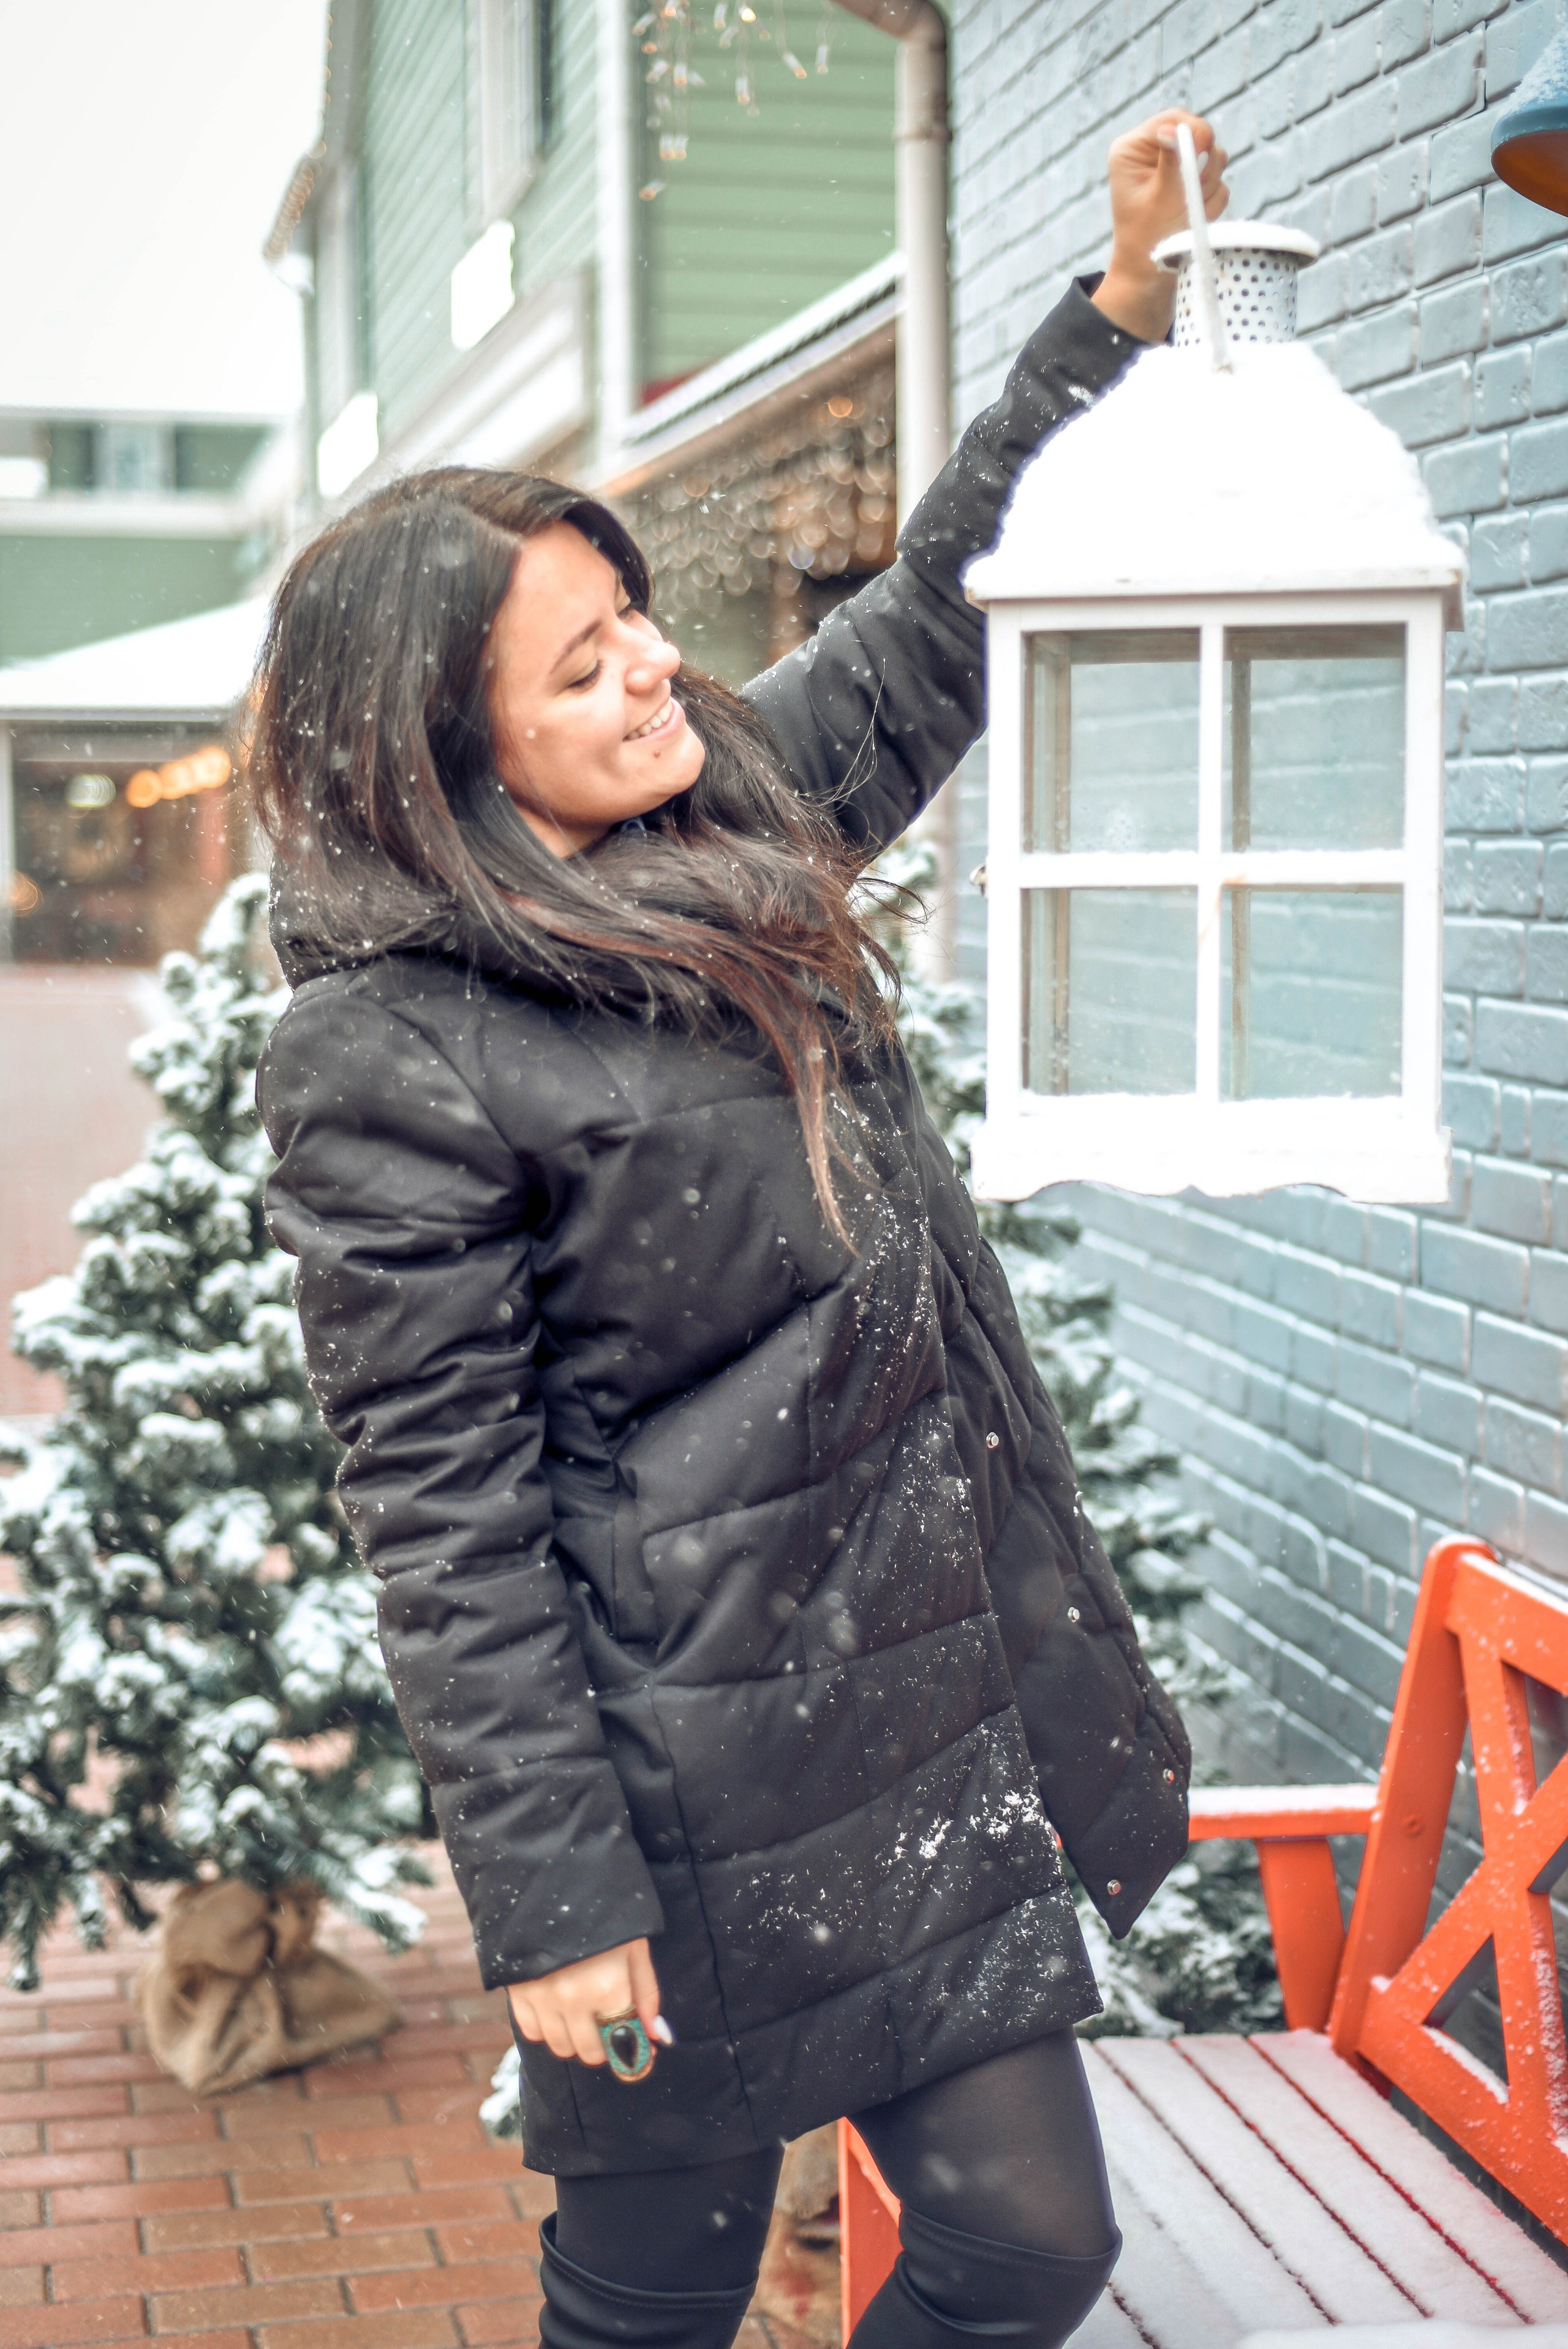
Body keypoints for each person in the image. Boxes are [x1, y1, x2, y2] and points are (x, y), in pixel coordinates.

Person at [254, 106, 1229, 2349]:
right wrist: (555, 1895)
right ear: (447, 759)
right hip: (670, 1796)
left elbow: (931, 619)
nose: (653, 678)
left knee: (1028, 2241)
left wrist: (1115, 322)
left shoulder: (731, 824)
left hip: (904, 1724)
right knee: (656, 2300)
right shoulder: (391, 1047)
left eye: (638, 627)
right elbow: (446, 1512)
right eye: (580, 668)